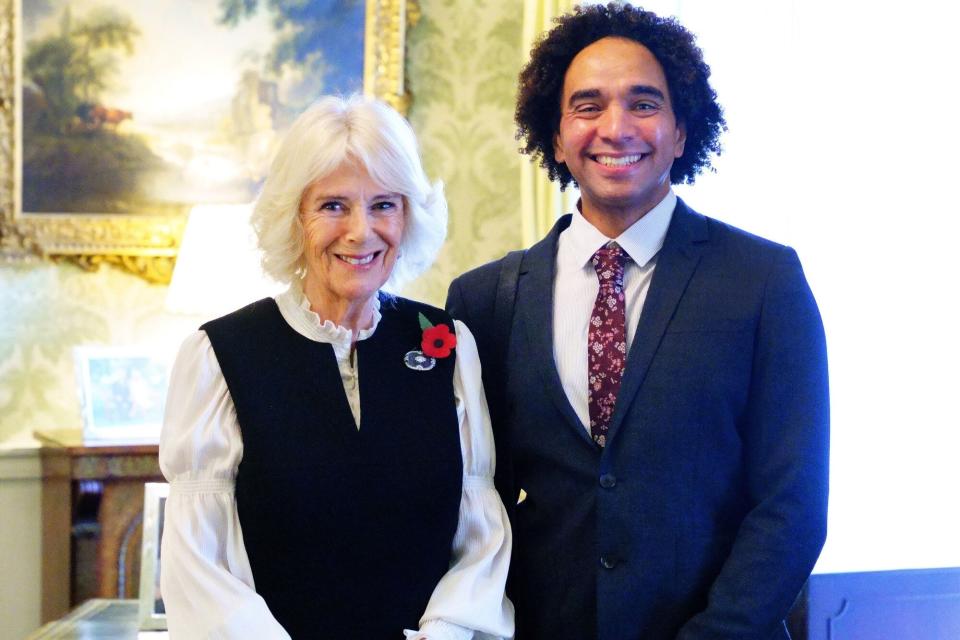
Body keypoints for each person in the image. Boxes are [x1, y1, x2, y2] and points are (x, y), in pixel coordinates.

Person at [446, 4, 829, 639]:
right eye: (588, 106)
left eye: (644, 104)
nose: (615, 128)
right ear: (558, 133)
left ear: (682, 131)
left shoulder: (764, 281)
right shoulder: (485, 299)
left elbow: (792, 504)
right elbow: (472, 504)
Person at [160, 95, 514, 640]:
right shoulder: (222, 354)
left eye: (383, 205)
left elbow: (480, 540)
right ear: (294, 218)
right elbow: (199, 567)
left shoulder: (448, 346)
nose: (360, 231)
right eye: (333, 206)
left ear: (409, 215)